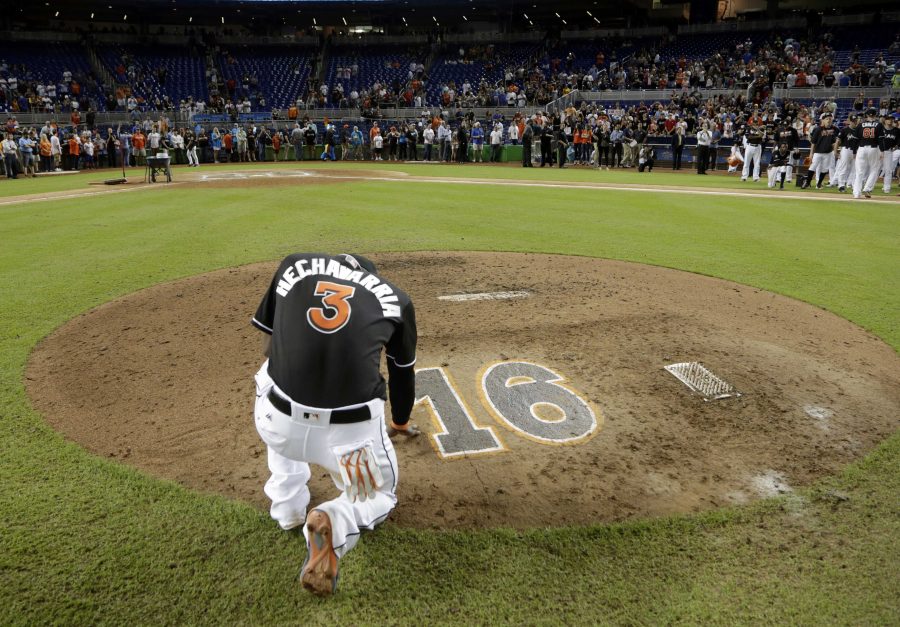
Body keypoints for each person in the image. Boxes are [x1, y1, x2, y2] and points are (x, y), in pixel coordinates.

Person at [251, 253, 419, 597]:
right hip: (349, 440)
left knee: (270, 374)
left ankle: (287, 507)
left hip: (276, 422)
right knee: (381, 495)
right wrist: (400, 422)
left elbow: (270, 342)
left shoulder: (294, 265)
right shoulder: (396, 299)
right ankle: (335, 517)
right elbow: (403, 374)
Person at [853, 108, 883, 199]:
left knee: (859, 172)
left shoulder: (861, 125)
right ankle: (867, 188)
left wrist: (854, 151)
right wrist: (882, 151)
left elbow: (855, 139)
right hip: (873, 149)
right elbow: (881, 139)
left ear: (866, 115)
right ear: (875, 115)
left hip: (861, 149)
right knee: (874, 169)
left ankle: (856, 193)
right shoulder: (879, 124)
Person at [805, 112, 837, 189]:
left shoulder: (834, 129)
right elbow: (813, 142)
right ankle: (807, 183)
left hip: (828, 152)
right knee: (812, 167)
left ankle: (819, 184)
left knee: (824, 169)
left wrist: (835, 151)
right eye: (827, 119)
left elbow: (833, 142)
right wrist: (811, 154)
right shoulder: (818, 129)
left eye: (830, 119)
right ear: (823, 120)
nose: (829, 120)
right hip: (818, 152)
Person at [834, 115, 860, 193]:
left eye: (856, 121)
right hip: (846, 149)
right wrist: (835, 151)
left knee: (854, 169)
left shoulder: (858, 131)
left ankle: (852, 184)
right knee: (843, 167)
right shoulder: (844, 130)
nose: (855, 122)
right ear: (850, 121)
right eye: (853, 121)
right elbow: (837, 141)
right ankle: (841, 185)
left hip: (856, 151)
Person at [879, 114, 898, 194]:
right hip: (879, 151)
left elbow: (898, 141)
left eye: (891, 119)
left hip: (889, 152)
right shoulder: (880, 129)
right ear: (885, 120)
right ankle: (868, 187)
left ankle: (887, 188)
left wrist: (895, 146)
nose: (890, 120)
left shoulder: (897, 130)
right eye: (888, 119)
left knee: (888, 170)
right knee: (875, 169)